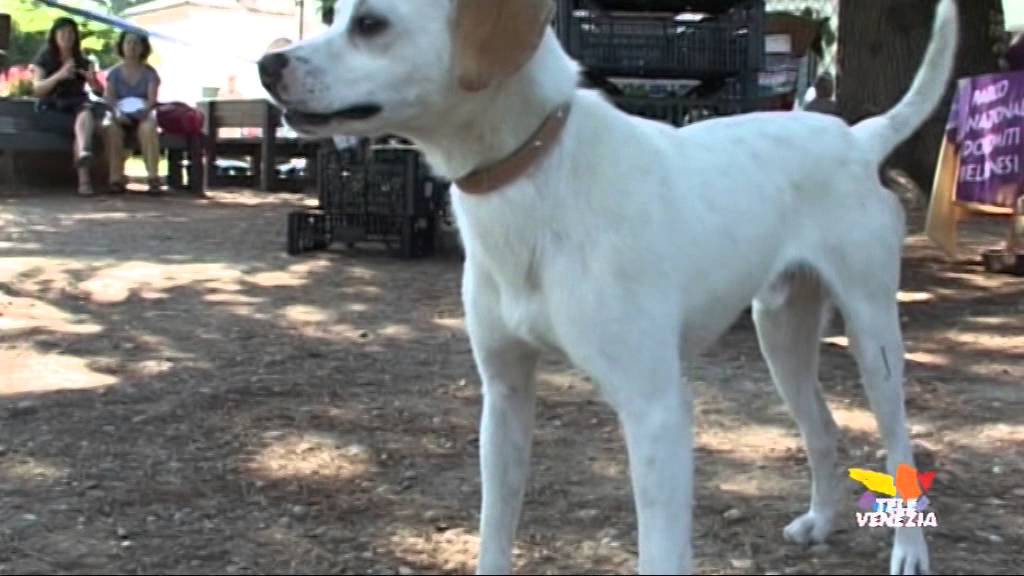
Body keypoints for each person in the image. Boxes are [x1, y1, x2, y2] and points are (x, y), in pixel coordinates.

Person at [30, 17, 105, 196]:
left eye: (71, 33)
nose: (67, 37)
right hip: (51, 110)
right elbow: (37, 90)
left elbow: (100, 92)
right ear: (54, 36)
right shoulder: (44, 59)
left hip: (76, 109)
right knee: (81, 128)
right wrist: (60, 75)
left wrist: (92, 81)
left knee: (84, 114)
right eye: (62, 33)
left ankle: (83, 156)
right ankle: (84, 179)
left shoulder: (83, 61)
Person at [103, 30, 162, 194]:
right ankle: (115, 178)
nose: (132, 47)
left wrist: (143, 112)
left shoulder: (150, 73)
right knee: (110, 128)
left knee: (149, 127)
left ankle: (153, 177)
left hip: (143, 114)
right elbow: (110, 99)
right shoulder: (114, 73)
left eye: (137, 43)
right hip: (120, 115)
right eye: (128, 42)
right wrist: (117, 113)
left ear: (144, 47)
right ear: (122, 46)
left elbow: (152, 100)